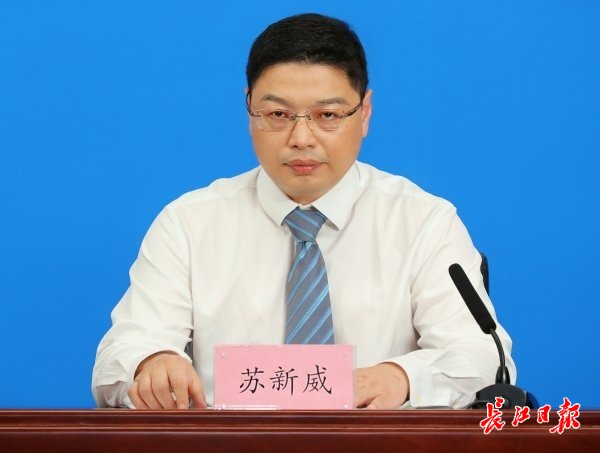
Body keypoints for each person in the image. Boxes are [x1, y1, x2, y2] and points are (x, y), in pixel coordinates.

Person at [92, 12, 515, 410]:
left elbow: (484, 358)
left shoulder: (424, 222)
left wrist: (400, 377)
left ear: (364, 113)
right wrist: (151, 362)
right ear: (249, 108)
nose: (301, 138)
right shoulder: (188, 224)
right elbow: (118, 357)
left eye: (327, 115)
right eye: (278, 114)